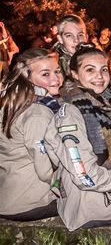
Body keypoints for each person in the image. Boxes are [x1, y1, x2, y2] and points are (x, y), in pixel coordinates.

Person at [44, 47, 111, 231]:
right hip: (89, 203)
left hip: (103, 193)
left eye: (104, 69)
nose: (100, 76)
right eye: (90, 70)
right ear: (74, 74)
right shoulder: (71, 112)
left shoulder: (104, 105)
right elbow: (84, 176)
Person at [0, 49, 62, 221]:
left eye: (57, 71)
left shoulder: (11, 104)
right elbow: (45, 171)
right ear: (27, 78)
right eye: (45, 74)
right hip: (31, 203)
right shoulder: (37, 113)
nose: (56, 78)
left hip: (7, 199)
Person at [52, 14, 88, 79]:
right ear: (60, 39)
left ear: (86, 37)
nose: (76, 40)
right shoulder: (54, 65)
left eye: (80, 35)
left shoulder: (96, 59)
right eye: (69, 35)